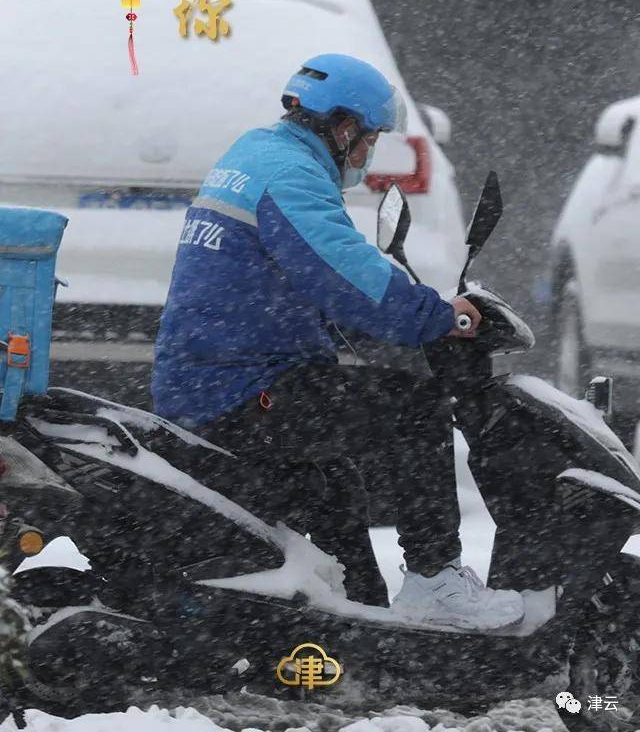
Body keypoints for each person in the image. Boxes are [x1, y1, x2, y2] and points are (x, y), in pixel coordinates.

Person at [152, 54, 523, 631]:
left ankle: (361, 626)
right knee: (413, 408)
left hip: (213, 378)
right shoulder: (289, 174)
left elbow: (296, 273)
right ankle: (435, 578)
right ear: (344, 127)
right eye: (370, 138)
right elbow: (344, 272)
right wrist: (445, 317)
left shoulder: (256, 154)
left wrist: (381, 320)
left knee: (334, 484)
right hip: (239, 386)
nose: (368, 153)